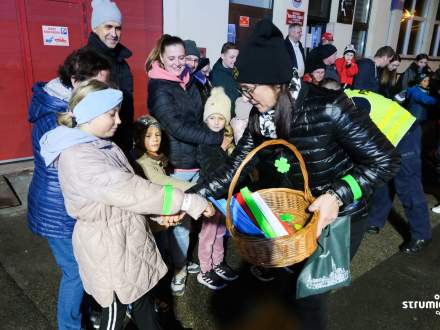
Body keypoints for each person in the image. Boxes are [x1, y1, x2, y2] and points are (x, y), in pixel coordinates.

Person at [188, 20, 399, 329]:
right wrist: (190, 198)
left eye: (248, 90)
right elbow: (235, 170)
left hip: (339, 219)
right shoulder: (262, 119)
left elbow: (385, 160)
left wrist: (338, 194)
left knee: (309, 296)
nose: (246, 98)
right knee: (286, 286)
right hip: (295, 217)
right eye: (242, 90)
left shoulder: (328, 107)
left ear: (276, 81)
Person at [39, 79, 214, 329]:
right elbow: (129, 189)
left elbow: (127, 197)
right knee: (114, 313)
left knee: (142, 300)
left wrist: (158, 216)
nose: (119, 120)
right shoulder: (79, 157)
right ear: (91, 114)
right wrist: (185, 201)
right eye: (112, 114)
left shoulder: (103, 145)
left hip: (126, 240)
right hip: (110, 250)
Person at [27, 48, 110, 330]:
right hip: (57, 207)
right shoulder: (54, 117)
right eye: (98, 87)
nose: (103, 93)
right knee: (74, 271)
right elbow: (77, 162)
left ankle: (84, 316)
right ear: (76, 82)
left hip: (66, 203)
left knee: (81, 266)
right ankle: (69, 326)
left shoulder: (69, 106)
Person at [146, 34, 226, 296]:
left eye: (183, 57)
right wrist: (216, 138)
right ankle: (178, 268)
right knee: (181, 220)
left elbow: (202, 113)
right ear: (161, 58)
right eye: (172, 58)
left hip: (199, 158)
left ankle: (195, 259)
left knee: (203, 214)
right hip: (179, 162)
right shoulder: (159, 87)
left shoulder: (189, 81)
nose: (179, 63)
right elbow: (177, 128)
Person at [367, 74, 435, 254]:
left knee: (407, 185)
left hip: (404, 133)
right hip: (387, 135)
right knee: (382, 180)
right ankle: (375, 220)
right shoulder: (348, 97)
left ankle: (422, 234)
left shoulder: (346, 104)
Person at [196, 87, 238, 290]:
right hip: (211, 196)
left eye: (220, 118)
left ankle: (218, 263)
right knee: (208, 233)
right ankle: (205, 269)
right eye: (212, 118)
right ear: (206, 119)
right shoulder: (206, 142)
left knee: (220, 231)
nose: (215, 122)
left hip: (222, 196)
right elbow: (212, 169)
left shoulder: (224, 139)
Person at [87, 0, 134, 155]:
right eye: (108, 26)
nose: (113, 34)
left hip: (122, 141)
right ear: (95, 28)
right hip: (99, 144)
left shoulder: (122, 62)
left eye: (118, 28)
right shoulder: (86, 61)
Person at [211, 42, 240, 115]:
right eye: (232, 57)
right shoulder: (215, 74)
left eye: (237, 57)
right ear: (222, 56)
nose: (235, 60)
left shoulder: (237, 71)